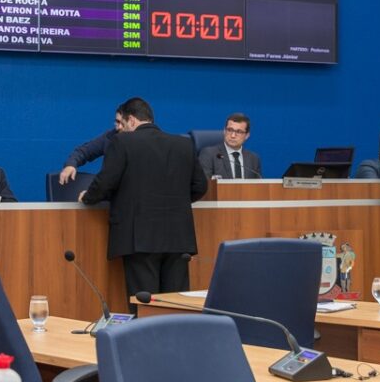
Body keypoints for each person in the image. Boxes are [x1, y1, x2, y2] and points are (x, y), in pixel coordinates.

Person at [78, 98, 208, 301]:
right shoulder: (183, 144)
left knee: (145, 306)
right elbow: (200, 186)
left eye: (121, 123)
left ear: (131, 120)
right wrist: (175, 203)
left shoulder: (122, 142)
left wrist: (87, 197)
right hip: (178, 238)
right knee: (176, 304)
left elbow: (105, 182)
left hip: (140, 238)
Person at [58, 105, 124, 185]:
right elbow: (83, 152)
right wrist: (70, 165)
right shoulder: (109, 137)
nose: (119, 127)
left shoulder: (140, 143)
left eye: (123, 123)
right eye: (117, 122)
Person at [198, 113, 261, 179]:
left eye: (239, 132)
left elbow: (258, 186)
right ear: (224, 131)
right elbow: (204, 184)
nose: (233, 135)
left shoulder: (253, 159)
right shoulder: (209, 154)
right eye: (230, 130)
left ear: (247, 135)